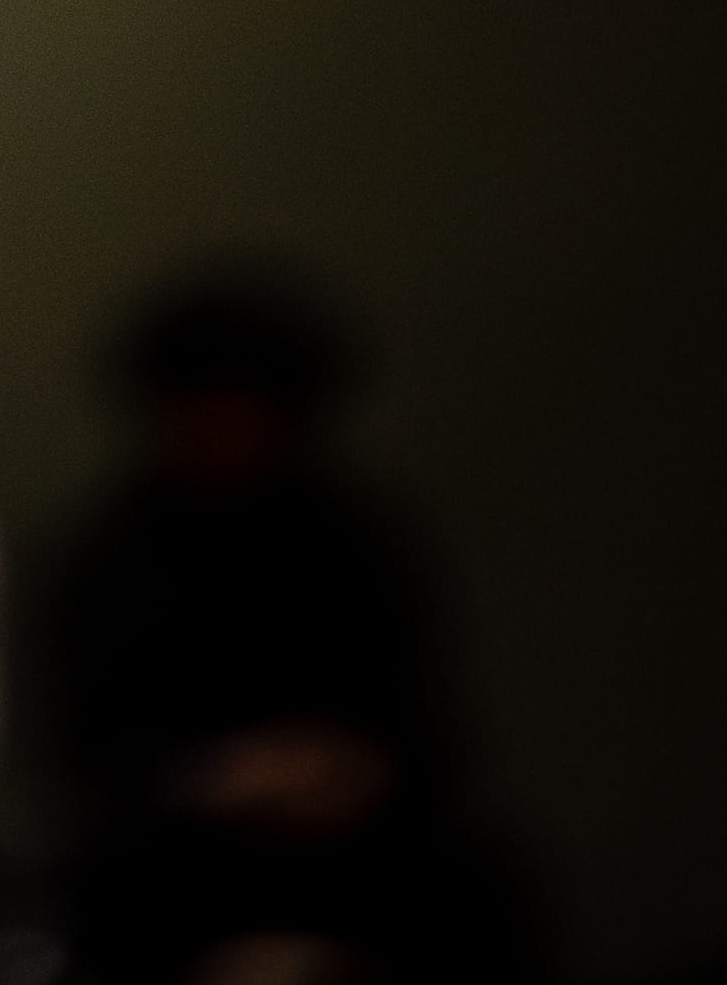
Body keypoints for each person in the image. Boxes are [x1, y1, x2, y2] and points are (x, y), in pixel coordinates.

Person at [54, 264, 525, 985]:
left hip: (353, 841)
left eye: (249, 406)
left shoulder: (358, 543)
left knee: (478, 886)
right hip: (176, 848)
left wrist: (343, 770)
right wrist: (218, 779)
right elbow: (87, 743)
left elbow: (422, 720)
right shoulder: (110, 552)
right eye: (205, 405)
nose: (228, 429)